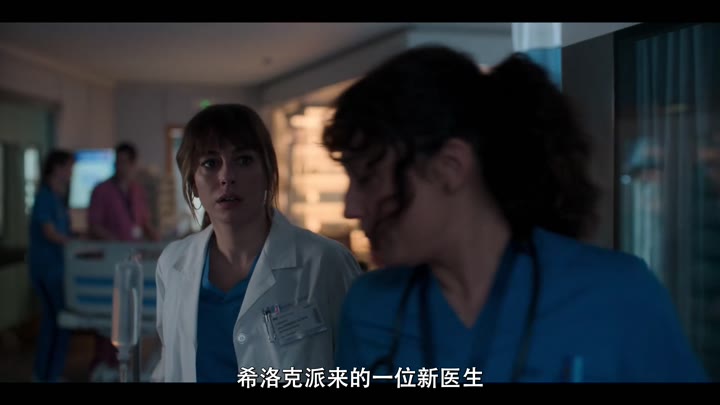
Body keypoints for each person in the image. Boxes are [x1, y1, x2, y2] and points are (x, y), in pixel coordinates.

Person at [322, 45, 709, 383]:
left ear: (450, 167)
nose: (351, 208)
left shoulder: (616, 294)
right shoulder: (370, 309)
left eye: (367, 179)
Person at [151, 104, 362, 383]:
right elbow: (170, 363)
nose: (227, 177)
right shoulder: (173, 263)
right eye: (210, 163)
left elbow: (361, 366)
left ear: (268, 172)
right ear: (193, 182)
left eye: (243, 160)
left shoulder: (325, 262)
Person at [86, 141, 159, 381]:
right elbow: (94, 225)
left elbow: (144, 221)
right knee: (112, 315)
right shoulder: (101, 191)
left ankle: (122, 367)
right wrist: (117, 243)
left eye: (125, 162)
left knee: (128, 314)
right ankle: (103, 365)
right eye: (117, 162)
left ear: (134, 164)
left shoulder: (137, 191)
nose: (121, 166)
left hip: (133, 260)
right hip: (111, 260)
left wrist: (159, 242)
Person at [28, 149, 75, 382]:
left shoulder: (57, 198)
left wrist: (78, 238)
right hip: (47, 270)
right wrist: (74, 243)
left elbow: (63, 230)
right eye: (68, 168)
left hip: (56, 269)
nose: (71, 173)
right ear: (57, 168)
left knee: (57, 323)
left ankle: (50, 374)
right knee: (56, 322)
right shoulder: (45, 198)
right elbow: (49, 232)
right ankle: (45, 375)